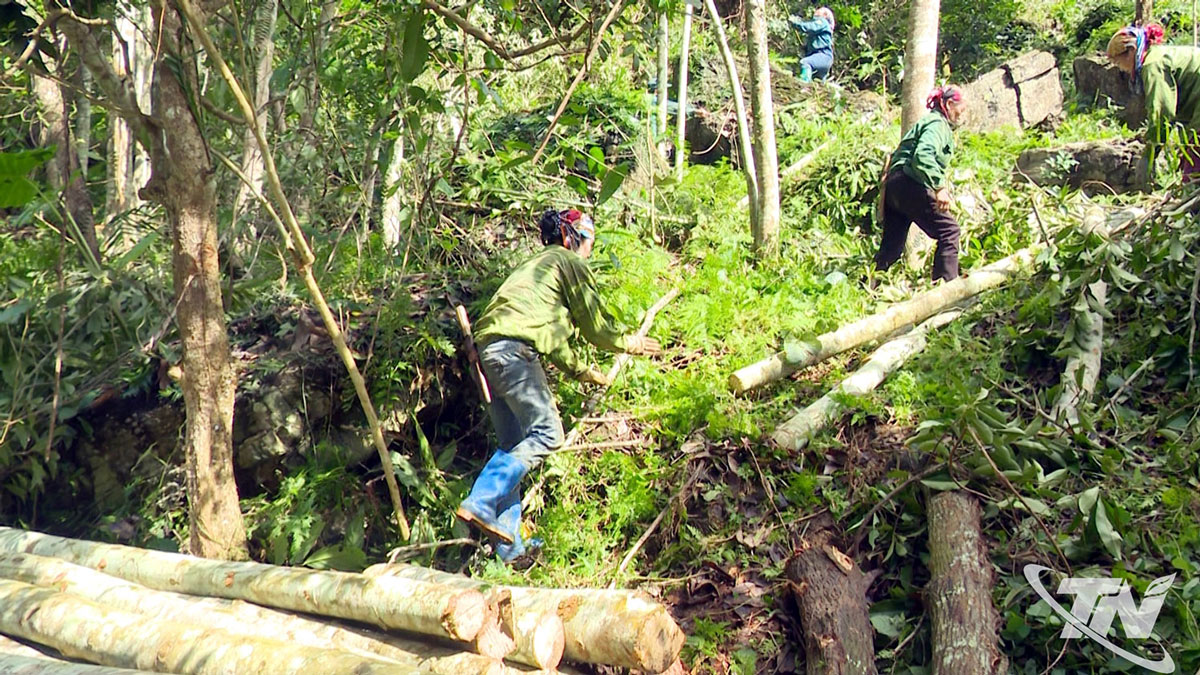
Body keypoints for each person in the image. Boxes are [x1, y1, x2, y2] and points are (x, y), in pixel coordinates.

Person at [456, 209, 662, 562]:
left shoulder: (534, 270)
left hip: (489, 355)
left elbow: (550, 337)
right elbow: (595, 327)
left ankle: (509, 548)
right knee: (549, 435)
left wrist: (582, 372)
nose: (589, 253)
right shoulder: (568, 262)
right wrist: (631, 343)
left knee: (514, 445)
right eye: (589, 244)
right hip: (514, 352)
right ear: (573, 238)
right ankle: (482, 500)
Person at [873, 85, 967, 283]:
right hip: (909, 183)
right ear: (949, 104)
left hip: (894, 186)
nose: (961, 114)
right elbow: (922, 155)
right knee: (949, 231)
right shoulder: (937, 125)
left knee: (892, 247)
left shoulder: (929, 122)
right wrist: (939, 188)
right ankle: (946, 289)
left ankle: (870, 288)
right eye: (961, 109)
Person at [1106, 23, 1200, 183]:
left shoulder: (1152, 65)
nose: (1121, 69)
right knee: (1190, 155)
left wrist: (1150, 153)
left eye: (1118, 63)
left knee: (1194, 166)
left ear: (1131, 51)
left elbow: (1162, 111)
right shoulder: (1157, 54)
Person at [789, 7, 835, 83]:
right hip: (823, 58)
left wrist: (796, 23)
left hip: (823, 55)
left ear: (825, 15)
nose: (816, 11)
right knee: (818, 83)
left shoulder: (822, 22)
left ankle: (804, 85)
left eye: (819, 10)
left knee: (805, 62)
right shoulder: (821, 27)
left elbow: (810, 27)